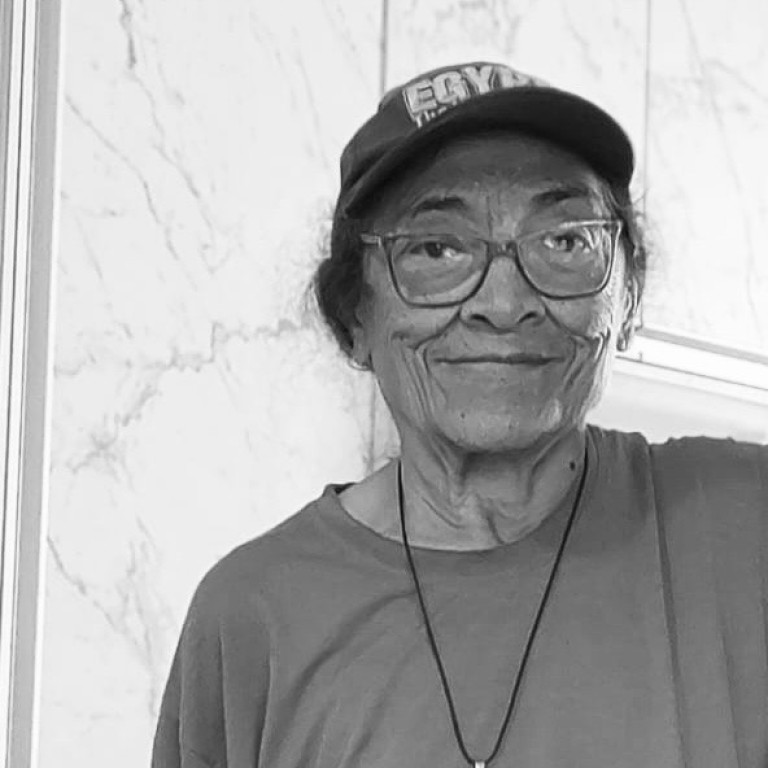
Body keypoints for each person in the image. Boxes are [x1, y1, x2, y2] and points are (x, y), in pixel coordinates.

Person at [151, 62, 768, 768]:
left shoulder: (745, 525)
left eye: (565, 240)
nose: (504, 304)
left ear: (626, 300)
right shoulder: (252, 618)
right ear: (353, 317)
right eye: (437, 248)